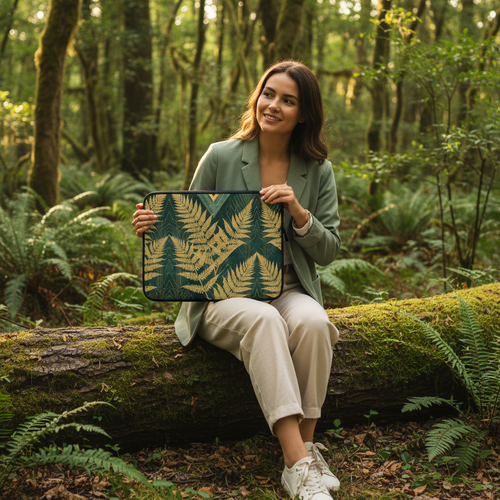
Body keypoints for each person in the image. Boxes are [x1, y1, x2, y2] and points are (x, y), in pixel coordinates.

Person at [132, 60, 342, 500]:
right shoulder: (222, 155)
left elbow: (328, 250)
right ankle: (298, 464)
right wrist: (155, 224)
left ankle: (306, 443)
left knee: (315, 322)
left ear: (303, 114)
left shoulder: (317, 170)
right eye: (269, 94)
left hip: (287, 287)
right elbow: (187, 224)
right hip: (220, 293)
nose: (274, 105)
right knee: (263, 321)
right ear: (257, 97)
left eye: (288, 100)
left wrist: (298, 212)